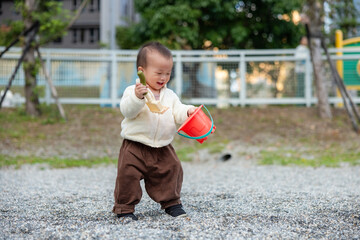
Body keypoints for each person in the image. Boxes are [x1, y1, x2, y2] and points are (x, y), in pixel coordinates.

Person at [112, 42, 197, 221]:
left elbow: (178, 111)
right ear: (142, 72)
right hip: (135, 146)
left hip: (162, 146)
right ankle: (125, 208)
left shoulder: (170, 95)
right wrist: (137, 97)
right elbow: (127, 111)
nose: (163, 77)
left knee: (172, 169)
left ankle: (172, 203)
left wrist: (188, 111)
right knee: (127, 175)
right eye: (158, 73)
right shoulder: (133, 92)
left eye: (167, 73)